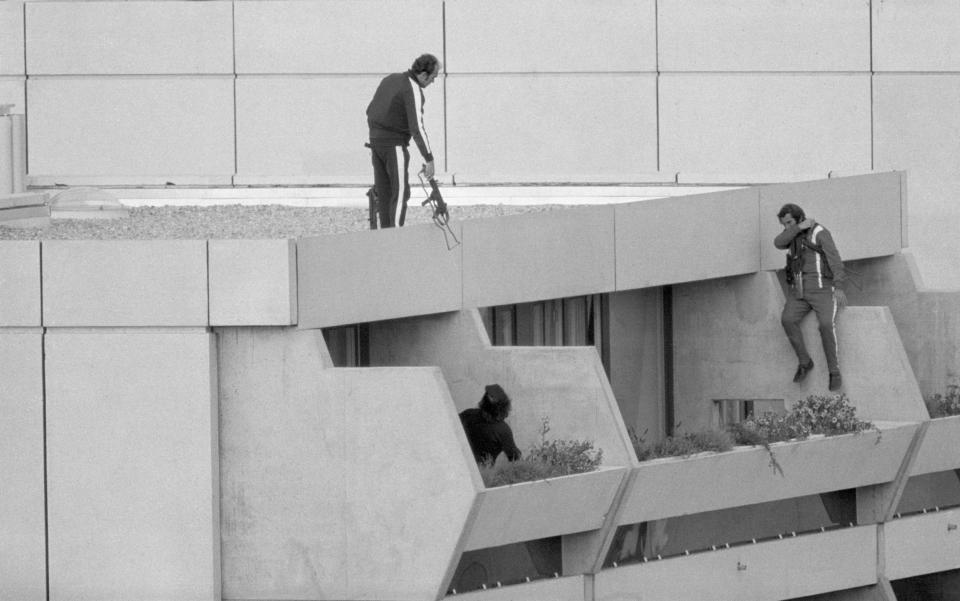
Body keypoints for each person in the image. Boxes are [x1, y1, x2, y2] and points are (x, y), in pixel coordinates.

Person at [774, 203, 847, 391]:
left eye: (789, 222)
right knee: (787, 319)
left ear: (799, 217)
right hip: (799, 291)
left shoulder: (820, 232)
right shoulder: (792, 234)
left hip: (822, 289)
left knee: (825, 325)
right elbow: (778, 242)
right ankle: (805, 361)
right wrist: (798, 228)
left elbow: (835, 260)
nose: (786, 227)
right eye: (784, 224)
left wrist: (838, 286)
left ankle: (834, 371)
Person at [365, 53, 441, 228]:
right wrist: (429, 158)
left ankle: (384, 236)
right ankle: (397, 236)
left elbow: (370, 111)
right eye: (433, 77)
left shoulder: (390, 79)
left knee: (384, 193)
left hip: (375, 143)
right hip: (394, 146)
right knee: (400, 193)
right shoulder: (412, 88)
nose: (433, 82)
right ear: (423, 75)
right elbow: (417, 128)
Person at [459, 384, 522, 464]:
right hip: (482, 472)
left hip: (459, 464)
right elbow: (515, 458)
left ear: (483, 401)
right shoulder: (503, 430)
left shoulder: (468, 414)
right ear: (504, 406)